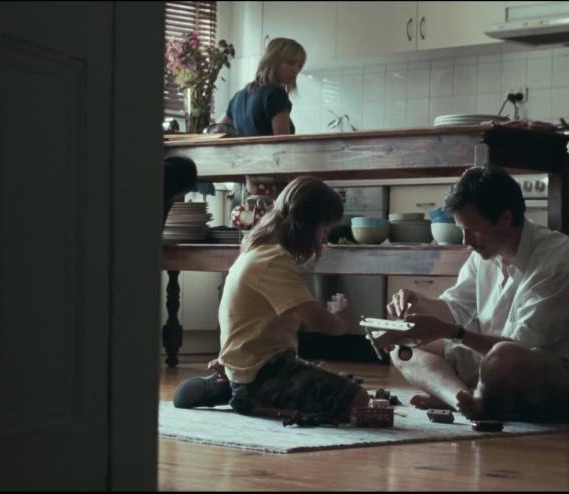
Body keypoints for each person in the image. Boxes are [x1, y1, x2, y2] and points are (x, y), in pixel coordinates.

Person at [377, 166, 569, 422]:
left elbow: (520, 345)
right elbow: (455, 308)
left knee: (504, 357)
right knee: (403, 348)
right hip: (488, 361)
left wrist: (450, 332)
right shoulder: (484, 254)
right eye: (461, 230)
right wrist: (416, 302)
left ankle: (473, 397)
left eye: (474, 229)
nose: (465, 241)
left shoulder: (558, 258)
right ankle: (463, 399)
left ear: (505, 218)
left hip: (541, 369)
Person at [173, 176, 369, 423]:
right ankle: (247, 398)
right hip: (261, 373)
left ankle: (230, 385)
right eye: (324, 228)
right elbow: (317, 321)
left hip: (252, 365)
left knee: (318, 375)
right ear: (307, 225)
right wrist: (341, 322)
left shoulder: (259, 250)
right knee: (358, 399)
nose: (324, 238)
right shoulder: (273, 261)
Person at [215, 37, 307, 214]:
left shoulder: (239, 96)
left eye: (299, 65)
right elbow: (282, 145)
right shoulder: (276, 94)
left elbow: (217, 131)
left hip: (243, 187)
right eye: (291, 63)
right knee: (273, 232)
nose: (295, 69)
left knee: (246, 232)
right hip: (270, 189)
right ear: (274, 61)